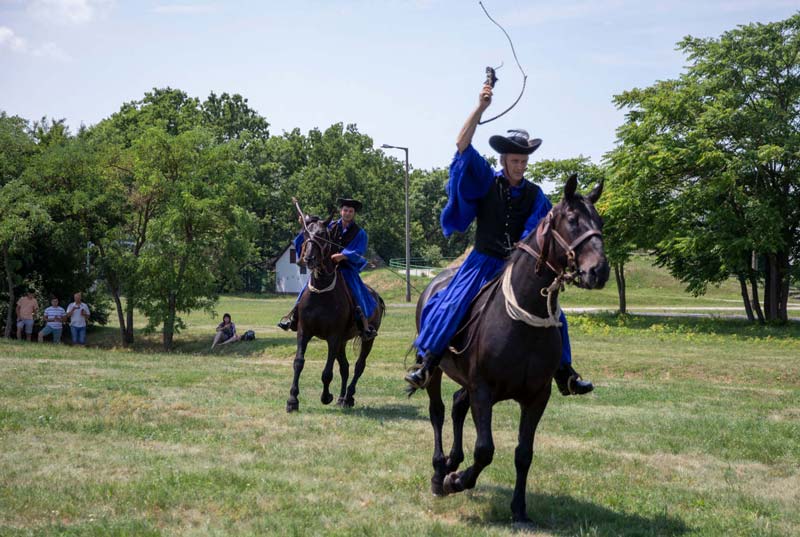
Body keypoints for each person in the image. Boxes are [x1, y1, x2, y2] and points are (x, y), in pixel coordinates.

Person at [404, 83, 594, 396]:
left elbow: (541, 233)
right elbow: (462, 144)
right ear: (504, 160)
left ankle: (565, 372)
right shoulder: (485, 179)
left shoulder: (536, 196)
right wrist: (480, 107)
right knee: (451, 302)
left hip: (518, 267)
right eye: (515, 161)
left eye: (524, 162)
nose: (520, 167)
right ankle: (427, 362)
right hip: (482, 262)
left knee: (555, 316)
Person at [277, 198, 378, 340]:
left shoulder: (360, 233)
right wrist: (304, 225)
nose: (347, 213)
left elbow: (359, 251)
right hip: (325, 267)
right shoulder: (329, 226)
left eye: (351, 211)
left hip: (345, 269)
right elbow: (314, 232)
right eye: (345, 210)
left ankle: (364, 325)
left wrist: (343, 255)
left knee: (356, 291)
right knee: (307, 288)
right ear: (341, 211)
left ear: (354, 213)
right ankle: (294, 316)